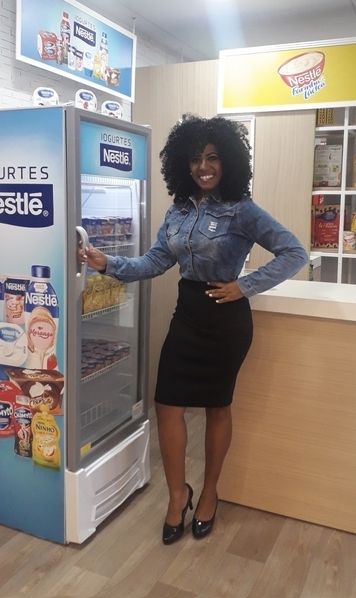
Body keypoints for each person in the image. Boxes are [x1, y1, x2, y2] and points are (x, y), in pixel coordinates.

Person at [79, 114, 308, 545]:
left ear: (228, 162)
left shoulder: (241, 209)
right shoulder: (178, 211)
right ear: (183, 166)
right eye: (195, 159)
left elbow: (294, 252)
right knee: (167, 404)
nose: (204, 167)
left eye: (213, 157)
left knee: (218, 408)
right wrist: (109, 263)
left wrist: (245, 285)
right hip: (187, 316)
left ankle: (209, 493)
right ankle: (177, 495)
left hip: (225, 323)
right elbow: (155, 261)